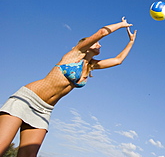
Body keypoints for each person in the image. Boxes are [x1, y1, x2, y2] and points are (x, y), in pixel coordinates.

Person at [0, 17, 137, 157]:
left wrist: (131, 42)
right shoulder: (75, 54)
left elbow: (118, 60)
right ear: (86, 44)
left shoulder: (90, 66)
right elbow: (102, 32)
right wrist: (121, 24)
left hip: (44, 111)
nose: (100, 45)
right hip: (27, 99)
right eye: (96, 42)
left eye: (100, 43)